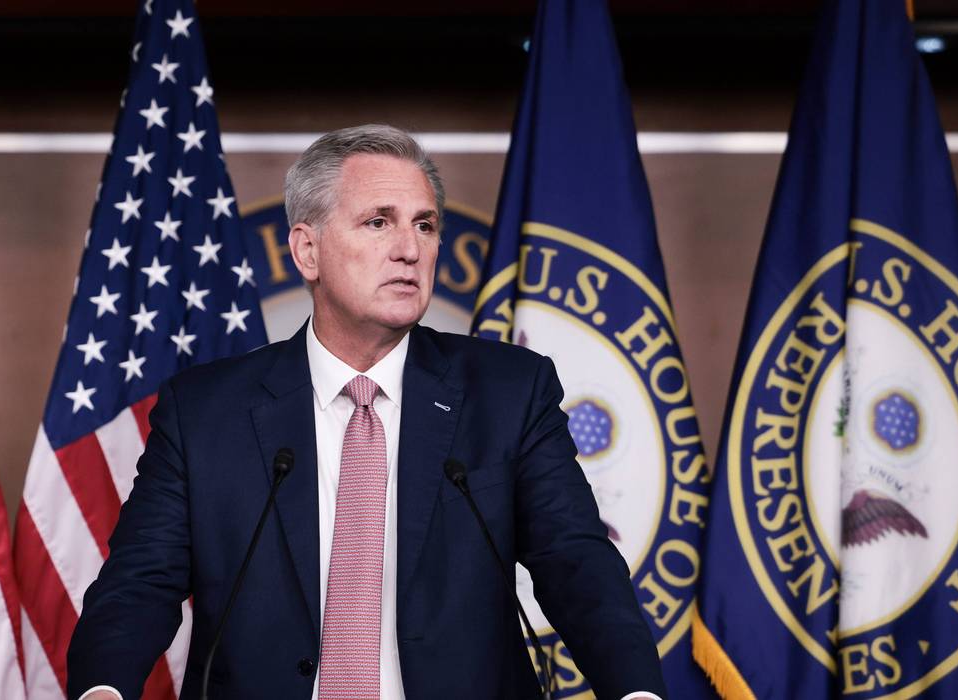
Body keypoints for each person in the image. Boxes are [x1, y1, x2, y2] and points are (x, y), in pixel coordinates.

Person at [67, 125, 667, 700]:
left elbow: (577, 562)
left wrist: (636, 692)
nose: (409, 249)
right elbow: (138, 584)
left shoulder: (510, 393)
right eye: (379, 222)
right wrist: (103, 689)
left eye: (425, 225)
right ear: (308, 251)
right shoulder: (204, 412)